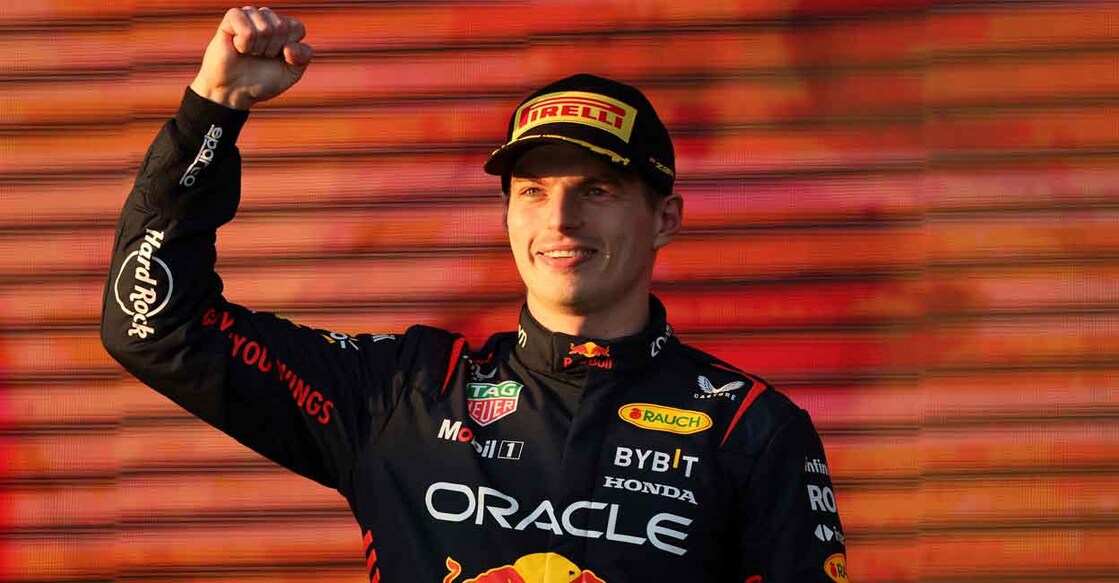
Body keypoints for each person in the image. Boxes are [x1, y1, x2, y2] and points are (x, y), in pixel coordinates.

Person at [101, 7, 849, 583]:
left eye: (595, 190)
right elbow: (156, 326)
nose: (560, 220)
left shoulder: (751, 428)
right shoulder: (403, 392)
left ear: (665, 218)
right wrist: (212, 112)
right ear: (505, 214)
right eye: (532, 192)